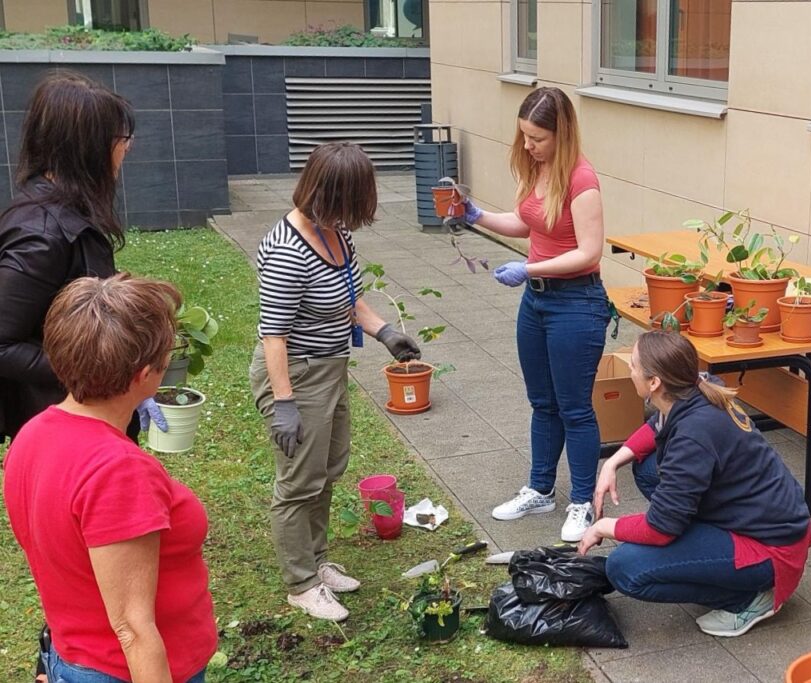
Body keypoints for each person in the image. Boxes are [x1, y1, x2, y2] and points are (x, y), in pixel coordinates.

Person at [3, 273, 217, 683]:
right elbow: (133, 630)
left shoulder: (32, 435)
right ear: (144, 375)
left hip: (73, 657)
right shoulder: (119, 472)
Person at [249, 141, 422, 621]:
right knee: (298, 481)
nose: (357, 214)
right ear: (329, 194)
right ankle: (300, 584)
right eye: (354, 202)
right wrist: (284, 403)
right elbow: (274, 336)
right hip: (296, 374)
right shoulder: (287, 250)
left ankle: (318, 560)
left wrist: (384, 331)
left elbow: (349, 296)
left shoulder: (336, 233)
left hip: (330, 368)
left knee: (327, 470)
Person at [579, 331, 811, 638]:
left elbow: (660, 530)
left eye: (634, 365)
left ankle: (750, 599)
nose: (630, 370)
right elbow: (658, 424)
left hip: (771, 549)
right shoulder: (700, 386)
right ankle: (710, 550)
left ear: (654, 383)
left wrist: (603, 527)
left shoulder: (693, 436)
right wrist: (612, 461)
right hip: (760, 519)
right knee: (648, 468)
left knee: (625, 568)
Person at [461, 86, 611, 542]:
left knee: (574, 408)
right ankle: (540, 489)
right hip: (538, 303)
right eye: (524, 135)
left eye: (537, 138)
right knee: (542, 402)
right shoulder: (538, 168)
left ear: (561, 135)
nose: (528, 145)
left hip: (576, 304)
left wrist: (528, 267)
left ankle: (583, 503)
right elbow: (526, 223)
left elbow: (589, 252)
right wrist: (475, 214)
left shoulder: (582, 181)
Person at [0, 71, 165, 447]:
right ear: (87, 149)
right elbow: (3, 344)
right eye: (121, 139)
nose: (127, 148)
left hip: (90, 417)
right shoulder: (41, 234)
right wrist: (97, 370)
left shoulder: (68, 210)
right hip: (68, 429)